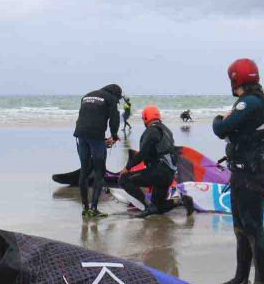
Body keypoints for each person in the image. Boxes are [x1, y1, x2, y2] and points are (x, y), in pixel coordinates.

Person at [212, 58, 264, 284]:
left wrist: (218, 118)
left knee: (252, 227)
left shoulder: (249, 103)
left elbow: (221, 130)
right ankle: (241, 278)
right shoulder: (260, 102)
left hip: (251, 172)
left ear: (234, 79)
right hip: (246, 171)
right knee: (241, 227)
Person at [118, 105, 195, 218]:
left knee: (124, 179)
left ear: (145, 118)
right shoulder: (167, 130)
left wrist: (127, 167)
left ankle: (146, 206)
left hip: (158, 172)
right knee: (158, 207)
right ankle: (181, 201)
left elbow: (142, 154)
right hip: (169, 174)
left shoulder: (152, 131)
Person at [73, 83, 121, 218]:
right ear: (115, 94)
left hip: (80, 135)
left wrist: (102, 140)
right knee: (100, 171)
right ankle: (94, 209)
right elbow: (114, 119)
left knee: (84, 170)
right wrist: (114, 135)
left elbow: (87, 119)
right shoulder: (110, 98)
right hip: (95, 136)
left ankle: (85, 208)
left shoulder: (87, 96)